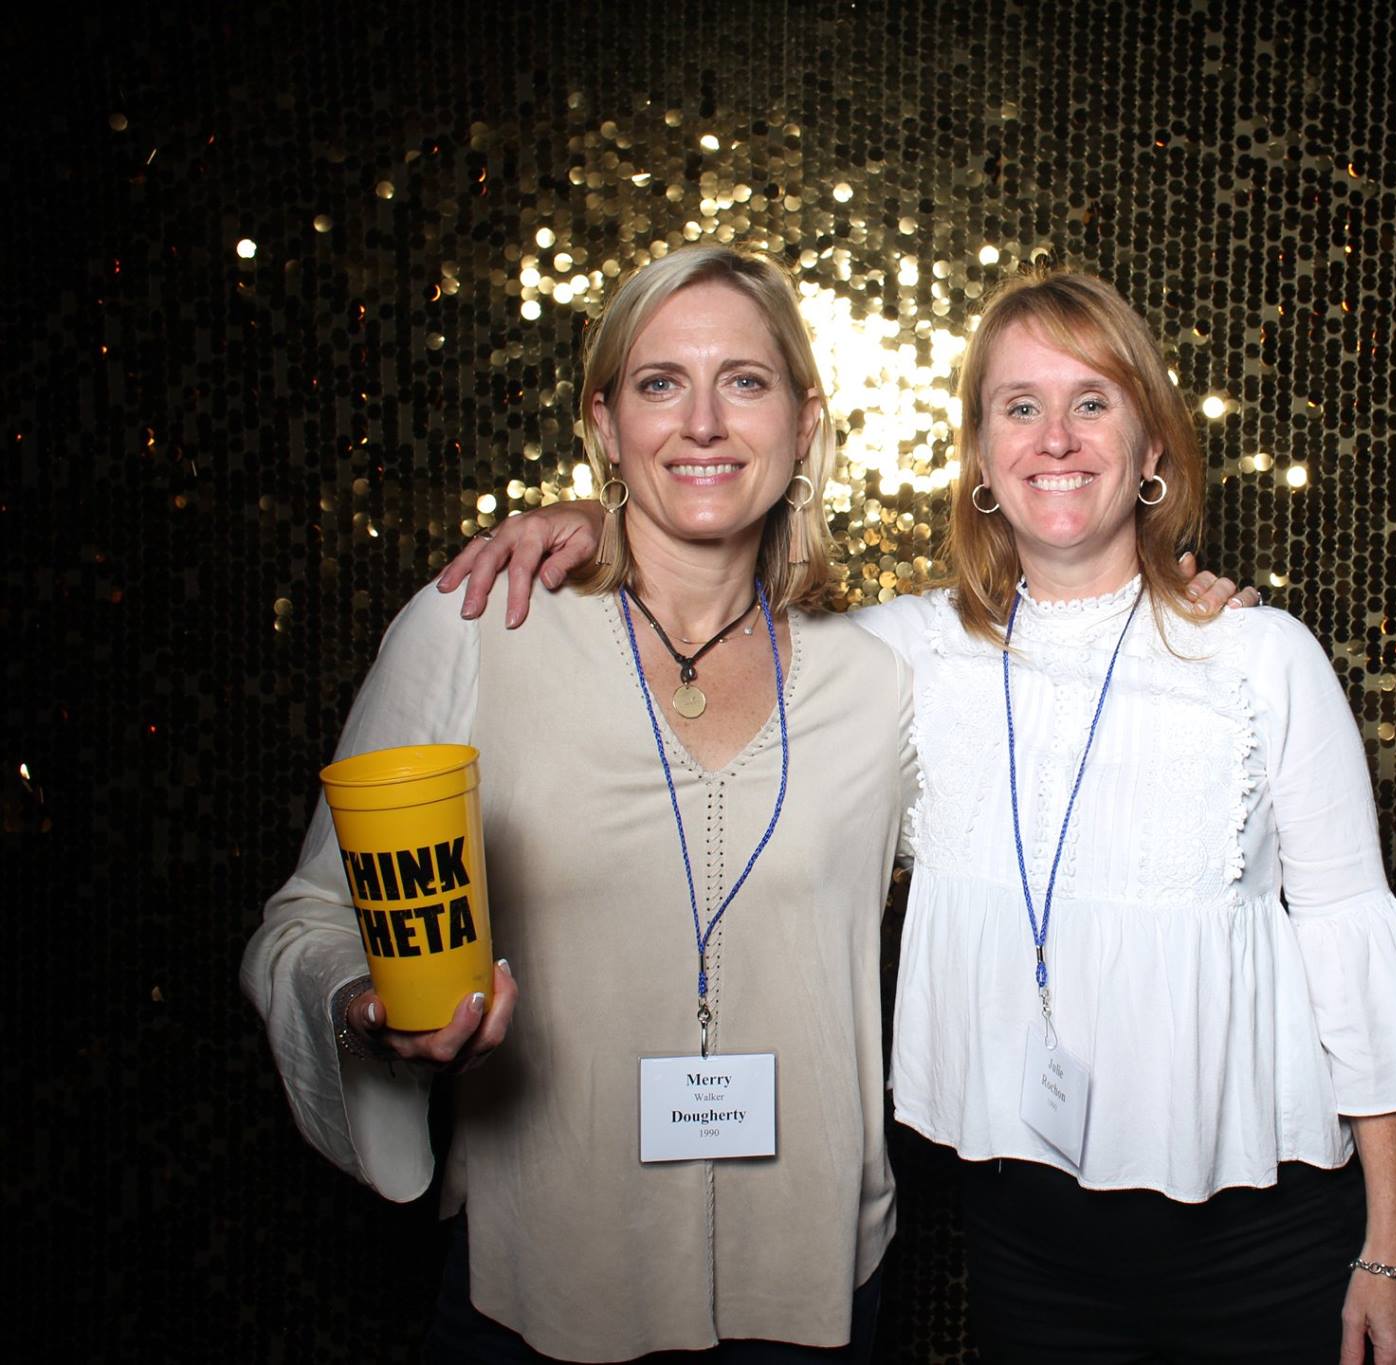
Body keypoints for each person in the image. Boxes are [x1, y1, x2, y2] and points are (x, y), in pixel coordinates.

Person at [450, 269, 1396, 1364]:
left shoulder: (1261, 658)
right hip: (1026, 1247)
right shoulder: (900, 654)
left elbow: (1349, 937)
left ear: (1152, 449)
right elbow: (715, 603)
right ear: (981, 457)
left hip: (1267, 1240)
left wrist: (1392, 1244)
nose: (1055, 437)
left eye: (1092, 401)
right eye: (1020, 406)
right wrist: (591, 526)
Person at [244, 245, 918, 1362]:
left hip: (811, 1288)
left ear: (804, 423)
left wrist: (1178, 595)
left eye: (744, 382)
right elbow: (306, 921)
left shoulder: (883, 677)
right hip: (542, 1283)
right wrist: (368, 1007)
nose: (702, 423)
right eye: (660, 383)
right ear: (605, 424)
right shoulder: (481, 623)